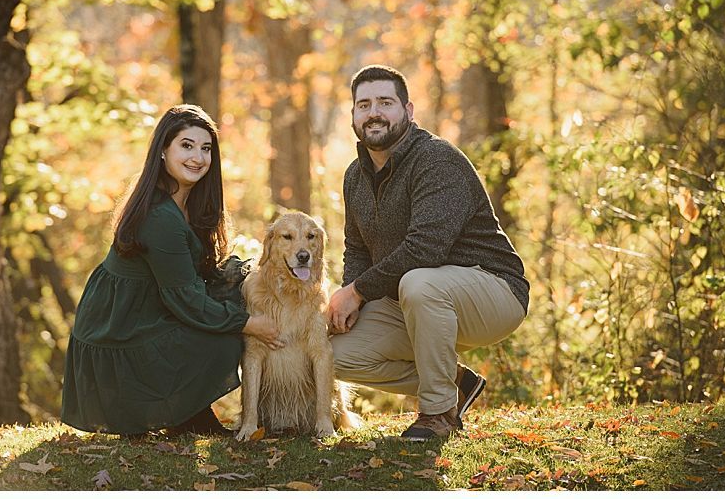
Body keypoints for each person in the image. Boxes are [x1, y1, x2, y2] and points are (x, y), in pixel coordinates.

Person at [326, 65, 529, 442]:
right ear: (353, 115)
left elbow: (425, 249)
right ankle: (455, 382)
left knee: (420, 281)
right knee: (328, 353)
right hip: (411, 302)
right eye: (364, 104)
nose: (374, 113)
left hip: (492, 290)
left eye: (386, 102)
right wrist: (347, 302)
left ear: (409, 110)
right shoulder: (355, 175)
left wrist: (356, 291)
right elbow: (357, 249)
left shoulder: (437, 159)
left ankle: (438, 414)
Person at [61, 104, 283, 436]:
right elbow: (188, 300)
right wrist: (251, 324)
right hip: (122, 331)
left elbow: (197, 281)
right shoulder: (160, 216)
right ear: (163, 150)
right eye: (186, 145)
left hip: (150, 309)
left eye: (206, 148)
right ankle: (185, 415)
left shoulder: (188, 203)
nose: (198, 157)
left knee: (235, 290)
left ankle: (199, 413)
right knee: (224, 340)